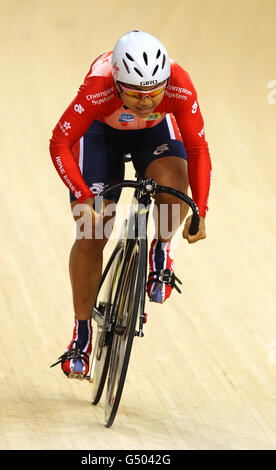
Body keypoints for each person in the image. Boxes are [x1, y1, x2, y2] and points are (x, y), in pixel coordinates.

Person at [49, 30, 212, 379]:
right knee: (92, 231)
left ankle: (160, 251)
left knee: (173, 182)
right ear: (118, 83)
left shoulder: (179, 85)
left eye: (154, 92)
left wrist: (200, 208)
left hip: (152, 135)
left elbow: (198, 149)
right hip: (99, 134)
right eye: (136, 94)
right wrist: (81, 194)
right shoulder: (98, 87)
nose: (146, 101)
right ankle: (81, 337)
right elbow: (60, 141)